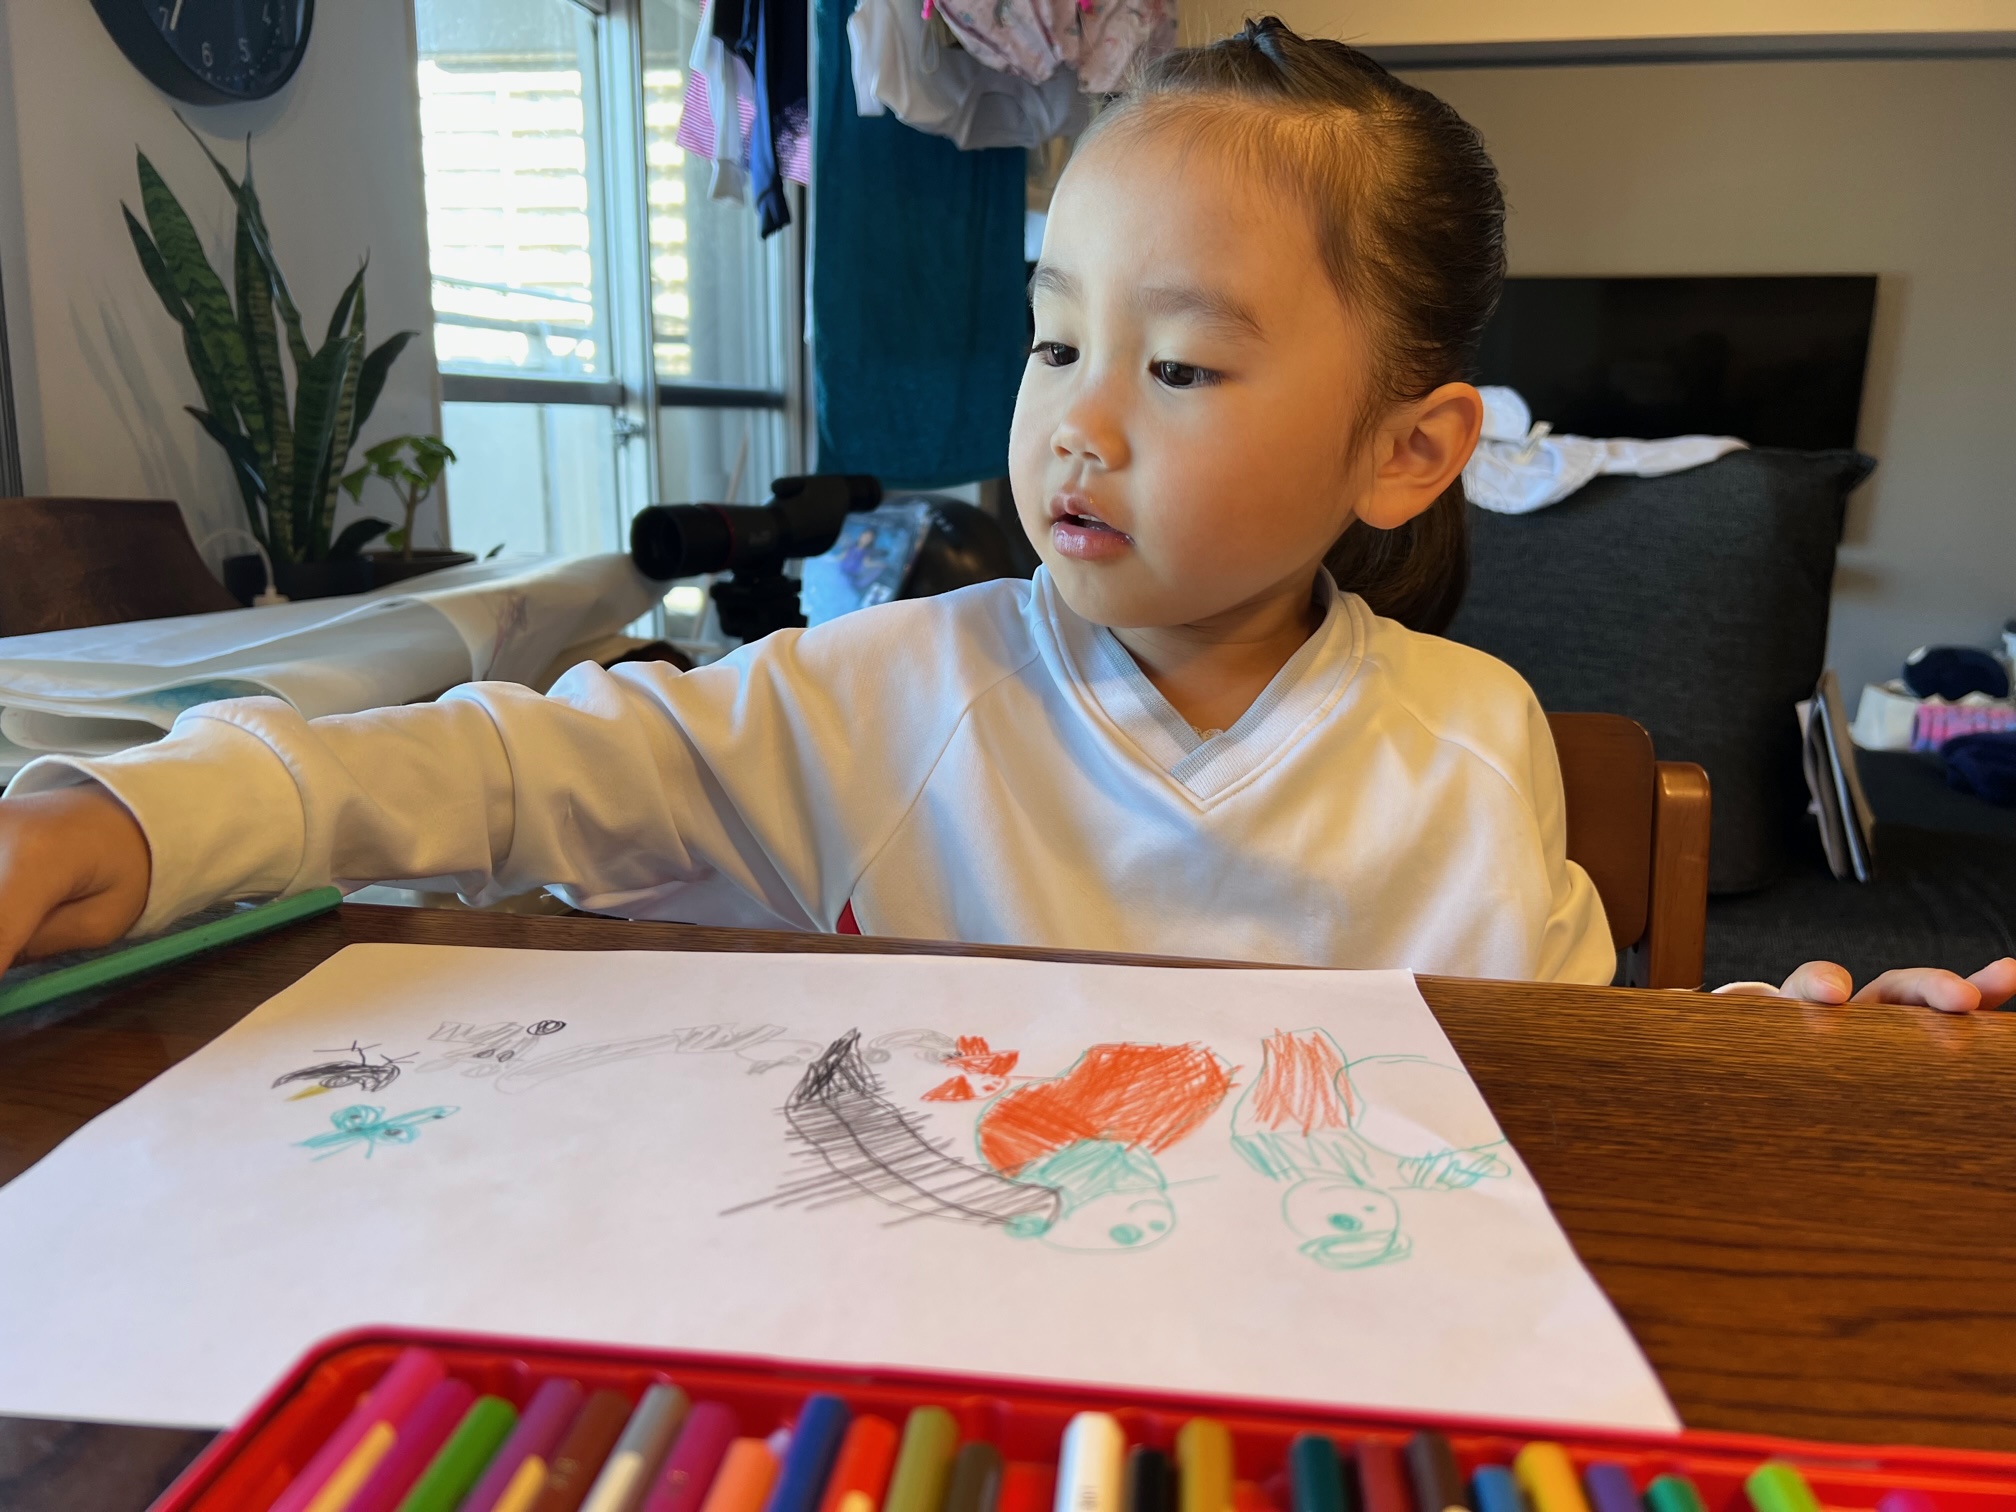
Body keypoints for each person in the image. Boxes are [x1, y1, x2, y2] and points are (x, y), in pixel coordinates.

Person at [1, 20, 2008, 1013]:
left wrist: (1784, 1042)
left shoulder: (1471, 749)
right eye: (1054, 342)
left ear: (1409, 452)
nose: (1077, 422)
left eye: (1182, 366)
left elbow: (1580, 1083)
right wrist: (130, 817)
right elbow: (507, 770)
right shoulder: (874, 695)